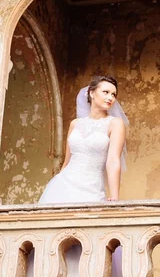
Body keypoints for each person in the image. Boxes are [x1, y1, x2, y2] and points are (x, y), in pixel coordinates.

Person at [39, 76, 126, 204]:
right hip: (63, 185)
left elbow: (113, 161)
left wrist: (114, 196)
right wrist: (57, 182)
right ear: (91, 93)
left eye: (113, 94)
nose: (110, 98)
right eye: (106, 92)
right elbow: (67, 162)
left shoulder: (115, 124)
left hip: (92, 188)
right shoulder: (75, 124)